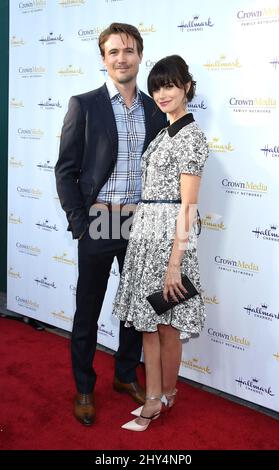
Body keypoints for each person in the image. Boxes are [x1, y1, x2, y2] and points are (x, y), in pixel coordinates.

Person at [55, 23, 167, 426]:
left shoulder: (155, 109)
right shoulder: (84, 105)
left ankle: (124, 375)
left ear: (140, 56)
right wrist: (80, 223)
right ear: (104, 59)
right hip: (99, 221)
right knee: (88, 309)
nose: (122, 58)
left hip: (140, 224)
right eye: (114, 51)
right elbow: (65, 170)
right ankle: (84, 385)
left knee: (136, 310)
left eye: (130, 51)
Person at [113, 55, 209, 431]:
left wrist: (175, 264)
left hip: (171, 241)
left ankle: (167, 394)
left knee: (167, 326)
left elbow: (188, 206)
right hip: (146, 238)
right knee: (148, 324)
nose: (161, 93)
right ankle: (153, 396)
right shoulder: (162, 133)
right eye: (156, 87)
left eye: (169, 85)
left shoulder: (193, 137)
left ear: (186, 85)